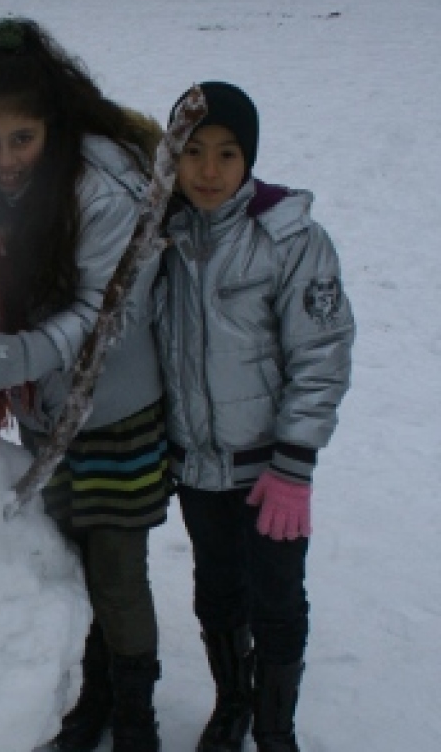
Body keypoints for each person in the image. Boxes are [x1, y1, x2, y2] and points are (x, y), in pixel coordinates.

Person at [0, 18, 169, 752]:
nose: (2, 159)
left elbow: (103, 317)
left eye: (20, 139)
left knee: (118, 575)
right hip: (43, 419)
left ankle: (135, 716)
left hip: (118, 415)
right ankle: (87, 697)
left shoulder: (102, 187)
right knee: (66, 563)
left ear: (52, 127)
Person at [155, 82, 355, 752]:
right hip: (195, 466)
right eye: (192, 152)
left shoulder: (288, 237)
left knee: (276, 599)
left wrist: (294, 464)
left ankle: (275, 725)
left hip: (270, 473)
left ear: (250, 159)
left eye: (227, 153)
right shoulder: (160, 237)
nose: (208, 171)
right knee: (215, 592)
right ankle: (232, 702)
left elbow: (321, 354)